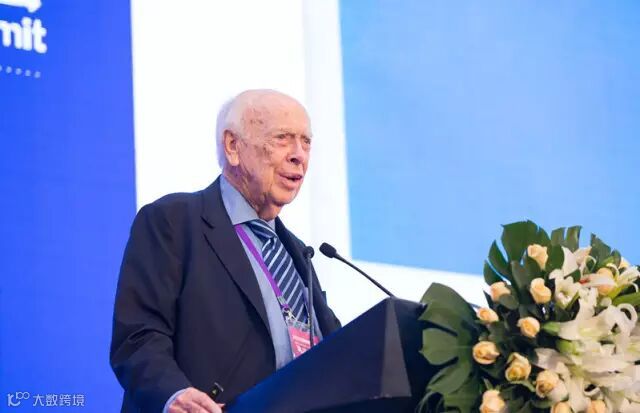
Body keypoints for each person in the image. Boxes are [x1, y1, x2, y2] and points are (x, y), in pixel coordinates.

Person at [110, 89, 341, 413]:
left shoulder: (298, 255)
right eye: (282, 138)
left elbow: (338, 355)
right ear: (233, 146)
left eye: (306, 142)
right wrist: (172, 394)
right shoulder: (174, 221)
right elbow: (138, 336)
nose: (298, 155)